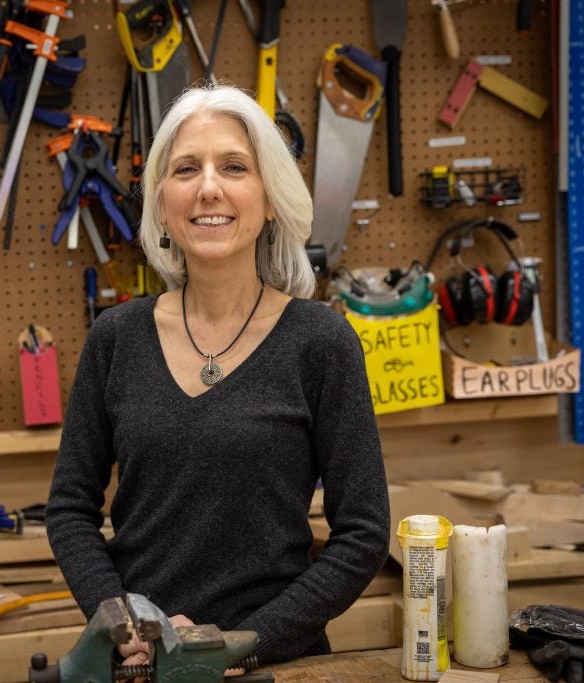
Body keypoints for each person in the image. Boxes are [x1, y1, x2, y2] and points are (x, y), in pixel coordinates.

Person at [45, 84, 390, 672]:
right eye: (186, 169)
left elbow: (363, 534)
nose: (209, 187)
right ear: (161, 200)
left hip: (276, 662)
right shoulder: (115, 338)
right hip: (144, 663)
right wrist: (121, 621)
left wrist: (242, 643)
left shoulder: (321, 343)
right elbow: (69, 508)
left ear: (271, 197)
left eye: (234, 166)